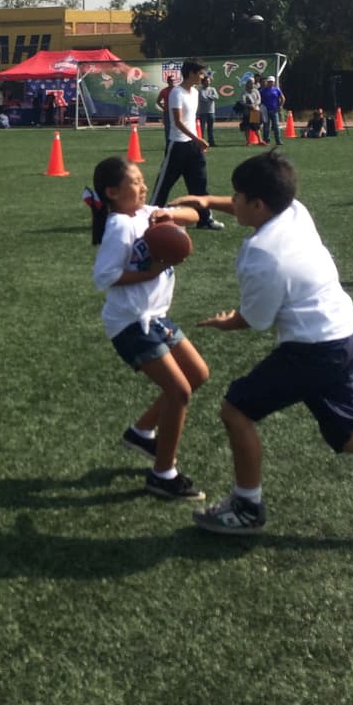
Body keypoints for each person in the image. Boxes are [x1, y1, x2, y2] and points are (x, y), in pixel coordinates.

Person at [179, 152, 353, 539]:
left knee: (236, 410)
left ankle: (247, 507)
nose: (232, 202)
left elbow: (256, 320)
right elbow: (252, 208)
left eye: (237, 196)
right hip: (347, 332)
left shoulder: (261, 255)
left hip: (313, 350)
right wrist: (205, 202)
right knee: (351, 435)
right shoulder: (295, 210)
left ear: (257, 203)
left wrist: (226, 321)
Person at [88, 156, 208, 500]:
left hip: (154, 316)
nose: (143, 187)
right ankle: (163, 474)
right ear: (112, 192)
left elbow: (195, 214)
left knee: (197, 373)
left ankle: (141, 432)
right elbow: (104, 276)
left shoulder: (144, 214)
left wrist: (169, 214)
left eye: (143, 181)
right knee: (179, 391)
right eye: (136, 182)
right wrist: (151, 272)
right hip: (130, 321)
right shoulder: (120, 227)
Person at [150, 60, 224, 229]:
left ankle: (205, 220)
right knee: (163, 185)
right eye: (200, 73)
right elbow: (177, 122)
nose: (203, 76)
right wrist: (198, 138)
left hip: (193, 146)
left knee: (200, 184)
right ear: (191, 73)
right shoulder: (177, 93)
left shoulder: (195, 93)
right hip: (177, 146)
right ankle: (149, 216)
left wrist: (196, 140)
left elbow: (190, 120)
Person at [259, 76, 285, 145]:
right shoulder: (262, 91)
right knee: (266, 126)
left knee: (276, 126)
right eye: (269, 81)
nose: (270, 83)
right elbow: (259, 100)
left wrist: (280, 106)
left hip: (274, 110)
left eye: (271, 81)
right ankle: (266, 140)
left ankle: (278, 140)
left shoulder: (277, 90)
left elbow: (282, 98)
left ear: (273, 82)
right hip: (265, 111)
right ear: (267, 82)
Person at [198, 73, 219, 146]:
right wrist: (211, 98)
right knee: (202, 129)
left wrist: (209, 97)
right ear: (203, 82)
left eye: (209, 81)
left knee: (210, 129)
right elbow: (203, 98)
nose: (208, 82)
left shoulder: (212, 89)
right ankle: (202, 142)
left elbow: (216, 97)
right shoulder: (200, 90)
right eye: (207, 81)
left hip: (211, 112)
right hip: (203, 112)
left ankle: (211, 142)